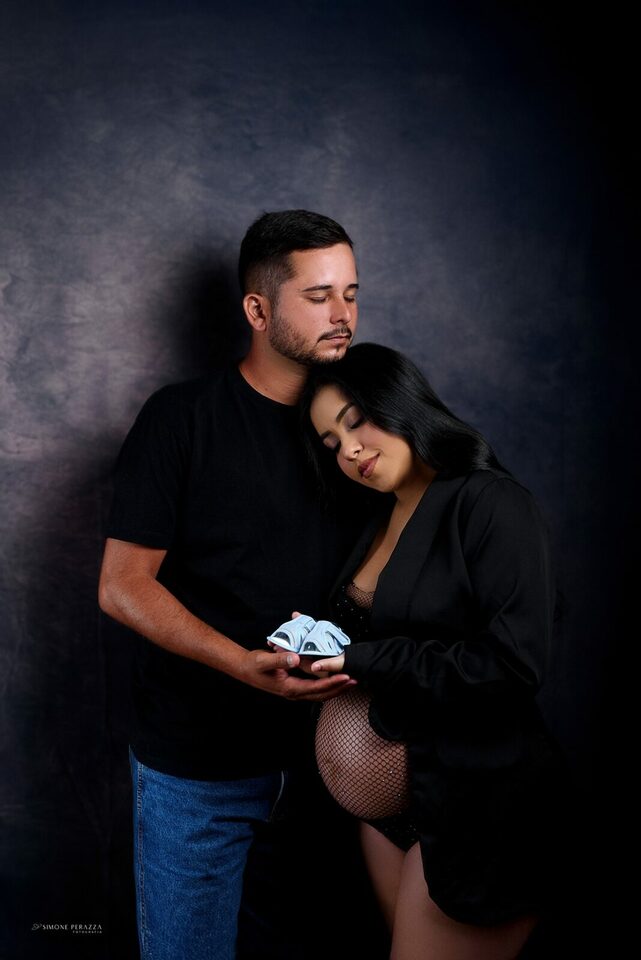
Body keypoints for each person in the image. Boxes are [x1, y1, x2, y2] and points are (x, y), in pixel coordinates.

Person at [98, 210, 369, 960]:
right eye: (318, 296)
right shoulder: (182, 419)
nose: (342, 314)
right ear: (257, 309)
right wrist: (240, 663)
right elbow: (122, 586)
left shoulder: (360, 432)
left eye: (350, 293)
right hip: (199, 771)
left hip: (330, 767)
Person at [298, 342, 569, 960]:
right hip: (393, 813)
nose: (350, 451)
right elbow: (390, 634)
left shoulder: (491, 503)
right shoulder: (380, 515)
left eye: (356, 422)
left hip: (477, 805)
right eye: (332, 444)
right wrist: (315, 640)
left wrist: (363, 660)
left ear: (400, 402)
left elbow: (512, 666)